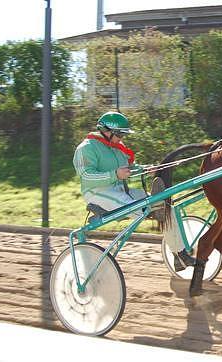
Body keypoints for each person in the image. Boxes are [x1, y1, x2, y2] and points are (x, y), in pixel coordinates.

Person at [73, 111, 196, 271]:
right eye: (120, 134)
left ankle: (180, 256)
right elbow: (86, 175)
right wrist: (114, 174)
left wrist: (146, 169)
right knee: (139, 206)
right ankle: (152, 207)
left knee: (168, 209)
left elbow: (129, 169)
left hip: (121, 191)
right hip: (97, 193)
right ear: (106, 131)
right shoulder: (86, 148)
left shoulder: (118, 147)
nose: (122, 138)